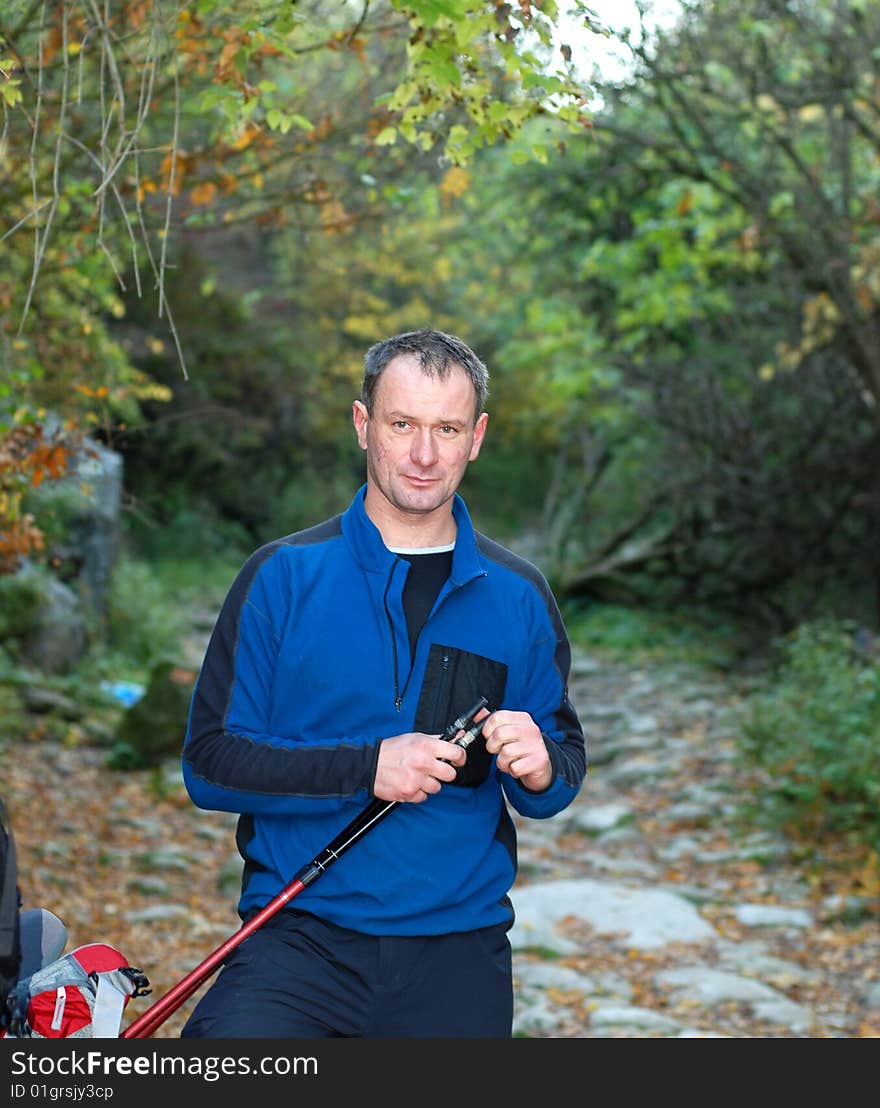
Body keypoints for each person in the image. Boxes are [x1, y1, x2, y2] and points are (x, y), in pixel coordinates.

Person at [180, 328, 587, 1038]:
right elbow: (210, 765)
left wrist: (542, 765)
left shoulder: (521, 596)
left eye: (446, 429)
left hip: (459, 956)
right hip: (296, 944)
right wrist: (368, 767)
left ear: (476, 437)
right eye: (403, 425)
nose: (425, 454)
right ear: (364, 424)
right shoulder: (280, 577)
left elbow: (562, 765)